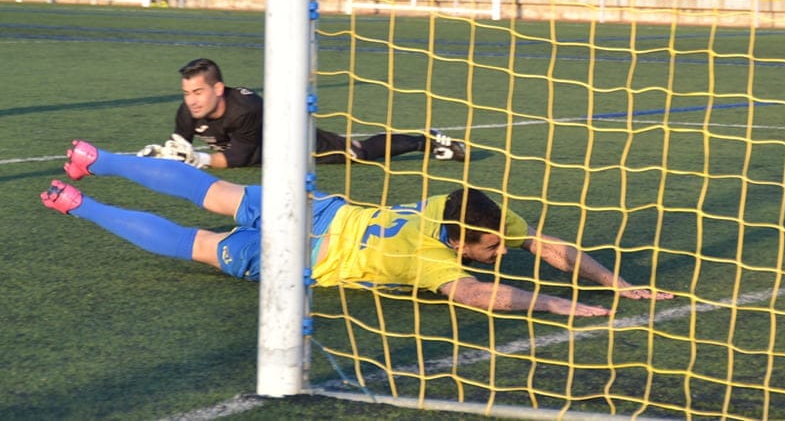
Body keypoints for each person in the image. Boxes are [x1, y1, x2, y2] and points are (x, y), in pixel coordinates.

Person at [42, 140, 674, 316]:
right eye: (492, 245)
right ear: (459, 242)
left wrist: (613, 281)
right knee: (194, 245)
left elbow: (543, 245)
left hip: (322, 213)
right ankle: (79, 205)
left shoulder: (456, 205)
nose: (503, 248)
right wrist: (575, 307)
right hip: (305, 256)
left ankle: (95, 160)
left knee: (213, 192)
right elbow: (493, 296)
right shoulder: (434, 264)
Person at [138, 58, 465, 169]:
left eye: (198, 92)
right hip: (259, 154)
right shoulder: (188, 110)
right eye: (187, 93)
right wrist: (166, 153)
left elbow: (236, 159)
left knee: (358, 153)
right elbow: (180, 143)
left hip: (292, 141)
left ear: (218, 89)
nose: (192, 101)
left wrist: (200, 160)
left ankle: (425, 141)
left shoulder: (247, 109)